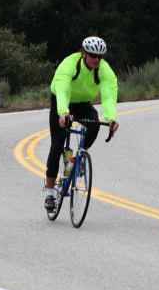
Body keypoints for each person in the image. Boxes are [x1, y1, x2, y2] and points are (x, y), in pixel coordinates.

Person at [43, 36, 120, 211]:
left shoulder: (104, 70)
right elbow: (62, 89)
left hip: (82, 103)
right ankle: (49, 192)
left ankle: (77, 159)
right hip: (62, 101)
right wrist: (63, 112)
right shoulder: (69, 64)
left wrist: (111, 118)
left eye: (100, 57)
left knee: (94, 123)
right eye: (93, 56)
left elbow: (108, 95)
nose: (97, 60)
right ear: (83, 53)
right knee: (57, 145)